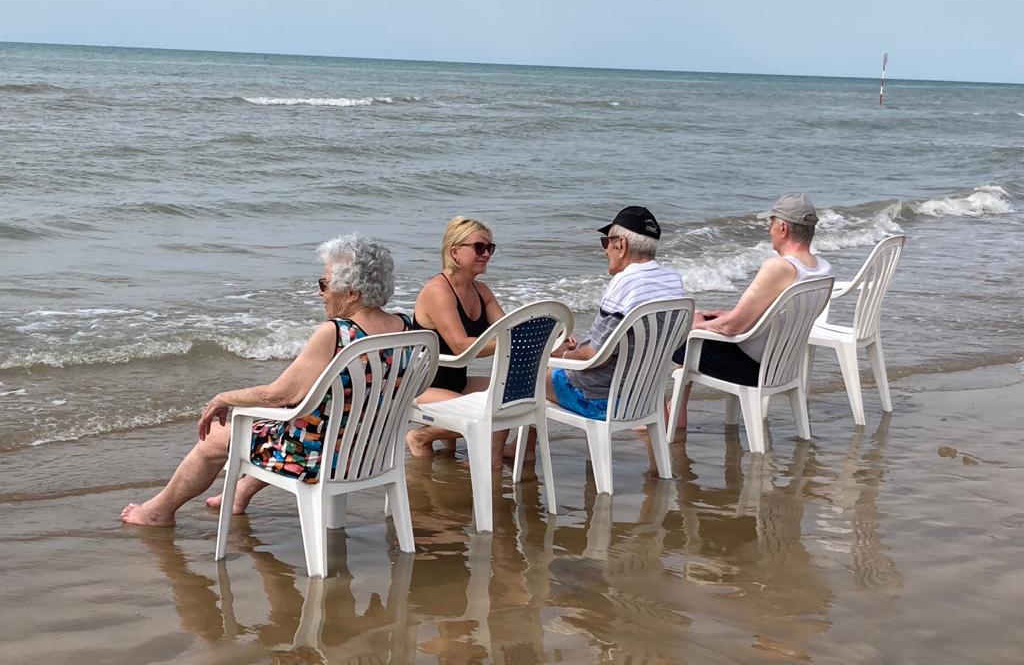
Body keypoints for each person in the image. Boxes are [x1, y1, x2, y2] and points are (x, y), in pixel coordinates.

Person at [121, 235, 413, 525]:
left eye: (324, 284)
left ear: (352, 293)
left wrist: (223, 398)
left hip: (320, 459)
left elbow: (279, 395)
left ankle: (158, 512)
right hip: (371, 451)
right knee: (294, 421)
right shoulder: (407, 328)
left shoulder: (337, 333)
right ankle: (239, 494)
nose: (320, 292)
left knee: (215, 439)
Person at [514, 206, 686, 459]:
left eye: (606, 242)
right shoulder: (673, 281)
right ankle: (656, 465)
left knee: (528, 373)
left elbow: (594, 356)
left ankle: (521, 453)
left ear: (621, 246)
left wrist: (559, 354)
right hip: (646, 396)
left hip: (603, 400)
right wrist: (577, 349)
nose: (605, 250)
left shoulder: (624, 283)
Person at [670, 194, 832, 432]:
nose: (769, 230)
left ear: (783, 227)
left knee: (682, 337)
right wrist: (721, 317)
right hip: (782, 364)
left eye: (771, 223)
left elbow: (733, 328)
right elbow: (770, 314)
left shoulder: (779, 267)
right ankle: (674, 406)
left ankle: (673, 413)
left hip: (752, 368)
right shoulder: (822, 269)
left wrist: (696, 325)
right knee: (707, 325)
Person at [405, 216, 506, 461]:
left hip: (456, 380)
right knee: (483, 414)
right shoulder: (438, 291)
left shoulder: (481, 291)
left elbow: (509, 329)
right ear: (455, 252)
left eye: (489, 248)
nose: (486, 254)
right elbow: (460, 346)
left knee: (509, 397)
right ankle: (420, 437)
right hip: (422, 386)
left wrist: (552, 339)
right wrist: (509, 344)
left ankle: (486, 461)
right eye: (479, 247)